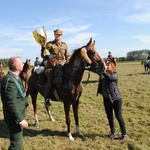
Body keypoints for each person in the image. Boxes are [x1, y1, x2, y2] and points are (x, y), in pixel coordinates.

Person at [0, 56, 28, 150]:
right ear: (17, 66)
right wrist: (20, 119)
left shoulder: (15, 77)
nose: (23, 64)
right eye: (21, 63)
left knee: (17, 141)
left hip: (16, 115)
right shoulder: (10, 80)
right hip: (14, 117)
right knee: (16, 143)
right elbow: (10, 102)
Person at [97, 60, 127, 140]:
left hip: (116, 98)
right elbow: (100, 74)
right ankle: (113, 133)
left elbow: (110, 78)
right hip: (106, 99)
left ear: (113, 67)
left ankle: (124, 134)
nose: (107, 66)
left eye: (108, 65)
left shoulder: (115, 74)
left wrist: (103, 72)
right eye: (106, 64)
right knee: (109, 116)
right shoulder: (103, 75)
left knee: (118, 116)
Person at [41, 29, 70, 106]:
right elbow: (44, 55)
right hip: (51, 67)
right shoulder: (49, 44)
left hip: (62, 65)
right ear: (54, 35)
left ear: (61, 36)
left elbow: (67, 55)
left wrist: (68, 61)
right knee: (50, 80)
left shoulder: (64, 45)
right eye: (56, 35)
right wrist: (52, 56)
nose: (58, 36)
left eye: (59, 35)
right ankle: (47, 98)